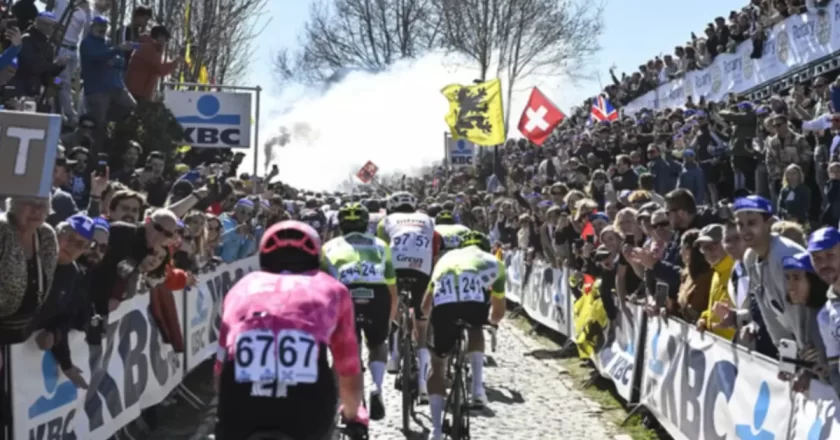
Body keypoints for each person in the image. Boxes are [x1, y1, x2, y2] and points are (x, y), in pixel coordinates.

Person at [214, 220, 367, 440]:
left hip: (240, 404)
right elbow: (348, 367)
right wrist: (353, 416)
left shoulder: (240, 287)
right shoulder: (334, 289)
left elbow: (220, 370)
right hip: (306, 407)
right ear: (316, 257)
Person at [421, 230, 506, 440]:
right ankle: (478, 388)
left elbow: (425, 306)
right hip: (473, 306)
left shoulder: (446, 259)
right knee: (476, 328)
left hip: (444, 308)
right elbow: (498, 312)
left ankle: (437, 431)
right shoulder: (493, 262)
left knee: (438, 366)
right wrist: (491, 322)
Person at [321, 202, 397, 421]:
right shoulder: (381, 245)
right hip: (377, 294)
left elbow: (323, 286)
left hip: (345, 294)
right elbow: (392, 287)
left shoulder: (329, 247)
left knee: (342, 351)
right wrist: (390, 318)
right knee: (377, 344)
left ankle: (338, 402)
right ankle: (377, 385)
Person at [376, 190, 441, 398]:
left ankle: (394, 353)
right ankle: (423, 382)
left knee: (393, 302)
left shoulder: (385, 221)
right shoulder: (429, 220)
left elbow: (381, 248)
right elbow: (433, 246)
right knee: (421, 321)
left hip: (395, 264)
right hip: (422, 266)